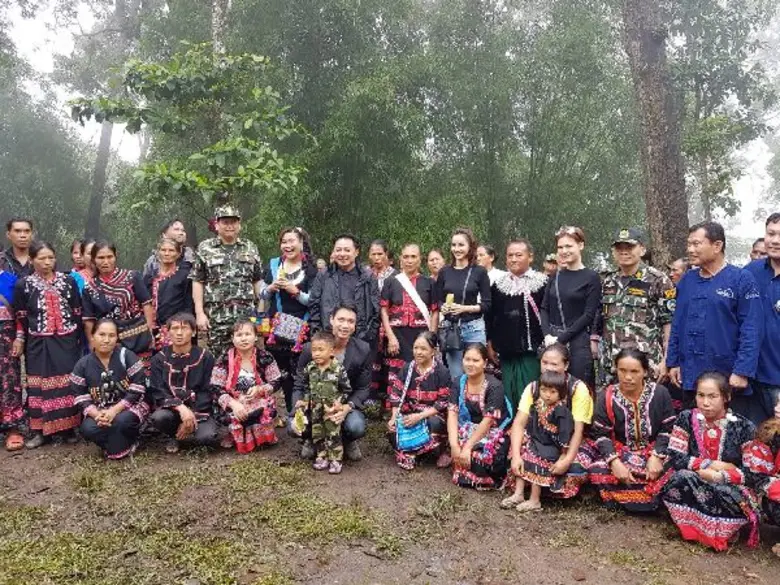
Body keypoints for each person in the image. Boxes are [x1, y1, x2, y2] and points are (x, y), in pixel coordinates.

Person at [667, 221, 761, 421]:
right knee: (693, 428)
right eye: (689, 244)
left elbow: (751, 328)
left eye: (696, 244)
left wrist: (742, 371)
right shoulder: (687, 280)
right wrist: (673, 362)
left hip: (727, 375)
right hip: (691, 374)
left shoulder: (741, 279)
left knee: (728, 431)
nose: (690, 250)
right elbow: (678, 324)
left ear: (717, 246)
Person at [660, 372, 763, 551]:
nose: (705, 402)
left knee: (723, 492)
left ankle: (721, 530)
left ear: (726, 397)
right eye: (700, 395)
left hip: (728, 486)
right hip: (694, 478)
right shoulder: (686, 418)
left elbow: (753, 473)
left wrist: (718, 476)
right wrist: (711, 465)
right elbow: (675, 456)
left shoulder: (744, 427)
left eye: (712, 396)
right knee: (681, 477)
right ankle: (691, 526)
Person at [502, 343, 593, 507]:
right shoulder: (534, 387)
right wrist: (516, 456)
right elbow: (519, 423)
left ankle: (538, 494)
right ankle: (520, 493)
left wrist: (566, 459)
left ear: (566, 365)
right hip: (540, 436)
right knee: (519, 448)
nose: (548, 367)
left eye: (554, 364)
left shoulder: (577, 389)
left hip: (568, 441)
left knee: (575, 469)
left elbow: (578, 431)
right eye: (544, 362)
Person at [13, 241, 83, 448]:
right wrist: (22, 338)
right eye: (41, 258)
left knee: (66, 382)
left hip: (66, 340)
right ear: (32, 260)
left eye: (50, 258)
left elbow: (76, 311)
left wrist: (75, 336)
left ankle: (68, 428)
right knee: (38, 384)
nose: (47, 262)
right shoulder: (24, 285)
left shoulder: (68, 281)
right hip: (38, 342)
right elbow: (21, 316)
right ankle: (40, 431)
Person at [588, 348, 676, 511]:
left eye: (634, 371)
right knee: (597, 470)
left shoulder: (660, 393)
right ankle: (652, 497)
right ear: (616, 370)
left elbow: (668, 429)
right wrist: (615, 463)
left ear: (645, 372)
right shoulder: (606, 396)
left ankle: (630, 496)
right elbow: (601, 435)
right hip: (622, 452)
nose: (628, 377)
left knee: (675, 467)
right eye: (622, 370)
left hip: (653, 452)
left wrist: (657, 456)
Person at [292, 303, 373, 462]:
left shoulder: (363, 350)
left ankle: (347, 440)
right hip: (314, 404)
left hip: (343, 403)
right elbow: (299, 385)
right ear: (331, 320)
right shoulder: (311, 348)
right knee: (292, 425)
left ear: (355, 325)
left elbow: (363, 388)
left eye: (350, 321)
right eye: (341, 319)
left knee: (356, 427)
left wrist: (346, 408)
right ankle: (311, 439)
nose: (345, 325)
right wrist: (298, 410)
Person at [598, 228, 675, 386]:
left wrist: (667, 360)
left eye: (630, 247)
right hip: (612, 365)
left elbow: (669, 323)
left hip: (646, 365)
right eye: (619, 247)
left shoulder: (658, 280)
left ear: (642, 249)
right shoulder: (606, 281)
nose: (624, 251)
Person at [191, 204, 264, 358]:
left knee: (248, 358)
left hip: (246, 316)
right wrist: (199, 313)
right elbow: (198, 281)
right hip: (217, 317)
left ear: (239, 225)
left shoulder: (250, 247)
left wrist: (261, 312)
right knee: (218, 361)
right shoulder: (205, 248)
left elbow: (257, 280)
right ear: (217, 225)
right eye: (225, 222)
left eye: (233, 222)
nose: (230, 226)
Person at [73, 319, 149, 460]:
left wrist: (114, 411)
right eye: (101, 335)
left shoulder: (126, 356)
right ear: (92, 336)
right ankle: (119, 443)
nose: (106, 340)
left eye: (111, 335)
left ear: (117, 338)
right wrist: (97, 415)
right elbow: (80, 395)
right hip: (100, 410)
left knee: (121, 421)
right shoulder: (83, 364)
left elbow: (138, 387)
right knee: (87, 429)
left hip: (130, 407)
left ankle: (129, 439)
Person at [262, 227, 318, 415]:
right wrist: (270, 288)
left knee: (302, 372)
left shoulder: (311, 269)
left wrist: (296, 292)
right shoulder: (274, 265)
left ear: (301, 243)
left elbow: (315, 300)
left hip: (303, 329)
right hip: (276, 330)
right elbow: (262, 294)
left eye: (292, 241)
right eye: (284, 242)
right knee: (283, 372)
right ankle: (289, 411)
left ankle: (304, 412)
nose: (288, 245)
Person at [502, 371, 574, 512]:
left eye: (552, 392)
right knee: (524, 453)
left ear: (561, 393)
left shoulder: (561, 411)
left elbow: (565, 434)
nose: (547, 395)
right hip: (538, 440)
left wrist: (564, 454)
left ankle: (535, 500)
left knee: (537, 460)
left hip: (552, 446)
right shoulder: (537, 405)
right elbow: (532, 425)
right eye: (544, 390)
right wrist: (527, 437)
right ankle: (518, 493)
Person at [486, 239, 547, 408]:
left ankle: (532, 422)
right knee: (509, 391)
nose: (513, 259)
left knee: (531, 391)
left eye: (519, 255)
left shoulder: (542, 283)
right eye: (510, 255)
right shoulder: (498, 285)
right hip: (505, 351)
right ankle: (511, 422)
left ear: (530, 257)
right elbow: (491, 317)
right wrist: (490, 343)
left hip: (533, 351)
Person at [148, 313, 218, 453]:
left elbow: (208, 389)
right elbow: (158, 390)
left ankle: (192, 428)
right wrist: (180, 407)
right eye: (174, 328)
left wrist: (192, 414)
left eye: (184, 328)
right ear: (168, 332)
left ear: (193, 332)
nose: (179, 333)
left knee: (207, 438)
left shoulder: (205, 357)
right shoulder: (159, 359)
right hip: (172, 410)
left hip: (198, 409)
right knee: (159, 418)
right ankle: (172, 434)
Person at [541, 226, 601, 388]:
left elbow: (589, 315)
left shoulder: (591, 277)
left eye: (569, 246)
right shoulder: (555, 276)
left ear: (580, 245)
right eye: (560, 247)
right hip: (552, 340)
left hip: (577, 342)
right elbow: (544, 308)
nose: (564, 251)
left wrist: (561, 339)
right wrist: (547, 335)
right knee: (552, 389)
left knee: (578, 389)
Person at [211, 319, 282, 453]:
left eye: (248, 334)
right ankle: (234, 434)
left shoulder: (265, 357)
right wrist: (233, 404)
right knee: (236, 410)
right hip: (233, 400)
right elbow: (215, 387)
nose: (244, 339)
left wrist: (260, 389)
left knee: (259, 409)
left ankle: (259, 436)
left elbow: (276, 381)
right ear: (232, 338)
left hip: (257, 399)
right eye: (239, 335)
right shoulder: (224, 359)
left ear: (255, 337)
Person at [447, 343, 511, 490]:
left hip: (494, 430)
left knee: (480, 459)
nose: (470, 364)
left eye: (476, 360)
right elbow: (452, 413)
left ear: (485, 363)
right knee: (460, 454)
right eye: (467, 359)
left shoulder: (495, 386)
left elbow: (488, 422)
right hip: (467, 427)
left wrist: (467, 447)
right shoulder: (458, 382)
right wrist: (454, 445)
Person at [82, 241, 156, 366]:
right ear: (94, 259)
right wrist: (92, 342)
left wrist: (150, 331)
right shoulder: (89, 288)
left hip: (138, 337)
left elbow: (147, 304)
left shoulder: (132, 277)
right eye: (101, 258)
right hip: (109, 341)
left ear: (116, 256)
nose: (106, 261)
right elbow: (89, 320)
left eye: (109, 257)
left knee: (141, 374)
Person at [387, 331, 451, 470]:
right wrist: (394, 417)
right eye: (416, 348)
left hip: (431, 415)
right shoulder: (407, 368)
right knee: (393, 429)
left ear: (433, 351)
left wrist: (420, 416)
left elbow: (442, 403)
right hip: (410, 413)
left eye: (423, 349)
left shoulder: (442, 372)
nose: (418, 352)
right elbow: (396, 395)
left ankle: (440, 450)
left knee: (435, 423)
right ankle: (414, 452)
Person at [381, 243, 438, 390]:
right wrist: (390, 336)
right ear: (401, 259)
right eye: (406, 257)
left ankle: (418, 401)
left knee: (421, 369)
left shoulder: (429, 282)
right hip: (397, 336)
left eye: (413, 256)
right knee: (397, 373)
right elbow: (384, 311)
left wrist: (431, 338)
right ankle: (396, 401)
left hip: (421, 335)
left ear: (420, 259)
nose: (409, 260)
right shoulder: (390, 282)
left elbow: (435, 311)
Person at [437, 228, 492, 380]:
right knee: (456, 375)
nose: (457, 249)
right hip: (451, 328)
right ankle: (458, 396)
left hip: (474, 328)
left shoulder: (479, 272)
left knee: (475, 373)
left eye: (461, 245)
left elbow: (487, 304)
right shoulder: (444, 272)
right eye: (454, 245)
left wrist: (464, 308)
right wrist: (443, 307)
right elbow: (438, 300)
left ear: (470, 247)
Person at [294, 331, 352, 474]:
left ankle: (336, 459)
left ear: (331, 351)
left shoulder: (338, 368)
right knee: (318, 434)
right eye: (314, 350)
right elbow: (306, 387)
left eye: (321, 350)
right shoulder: (310, 368)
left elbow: (346, 389)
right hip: (315, 409)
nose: (317, 353)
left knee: (333, 434)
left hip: (331, 410)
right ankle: (322, 456)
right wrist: (305, 401)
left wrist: (339, 403)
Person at [309, 234, 380, 348]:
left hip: (360, 338)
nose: (342, 254)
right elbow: (314, 306)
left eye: (347, 250)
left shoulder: (368, 277)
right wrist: (317, 334)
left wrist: (368, 336)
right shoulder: (324, 275)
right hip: (329, 337)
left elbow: (376, 310)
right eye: (338, 250)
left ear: (356, 252)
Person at [0, 217, 33, 451]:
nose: (22, 235)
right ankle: (10, 426)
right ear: (8, 234)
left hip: (30, 326)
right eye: (17, 231)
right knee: (7, 376)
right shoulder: (4, 261)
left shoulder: (40, 257)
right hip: (7, 329)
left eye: (26, 231)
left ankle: (30, 423)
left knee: (31, 375)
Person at [744, 213, 780, 422]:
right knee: (754, 438)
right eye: (771, 234)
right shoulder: (750, 272)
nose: (775, 240)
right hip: (752, 381)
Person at [143, 238, 194, 349]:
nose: (166, 253)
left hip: (176, 328)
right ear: (158, 252)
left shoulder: (184, 276)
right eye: (163, 250)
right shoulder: (149, 278)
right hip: (152, 329)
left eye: (171, 250)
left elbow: (188, 304)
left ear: (178, 253)